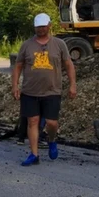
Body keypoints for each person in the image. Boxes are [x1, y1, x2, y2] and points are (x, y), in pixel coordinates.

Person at [12, 13, 77, 166]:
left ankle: (52, 140)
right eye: (38, 27)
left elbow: (68, 64)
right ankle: (34, 155)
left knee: (51, 122)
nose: (40, 29)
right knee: (32, 121)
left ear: (49, 26)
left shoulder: (59, 44)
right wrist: (15, 85)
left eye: (43, 26)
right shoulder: (27, 45)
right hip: (30, 91)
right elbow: (18, 66)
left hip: (52, 90)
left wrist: (73, 84)